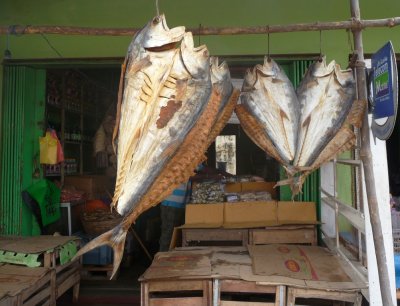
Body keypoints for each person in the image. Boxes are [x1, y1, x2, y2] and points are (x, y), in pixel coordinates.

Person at [159, 181, 191, 252]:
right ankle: (163, 259)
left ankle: (171, 259)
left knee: (177, 237)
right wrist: (208, 175)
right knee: (169, 236)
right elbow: (190, 175)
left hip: (182, 204)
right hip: (171, 203)